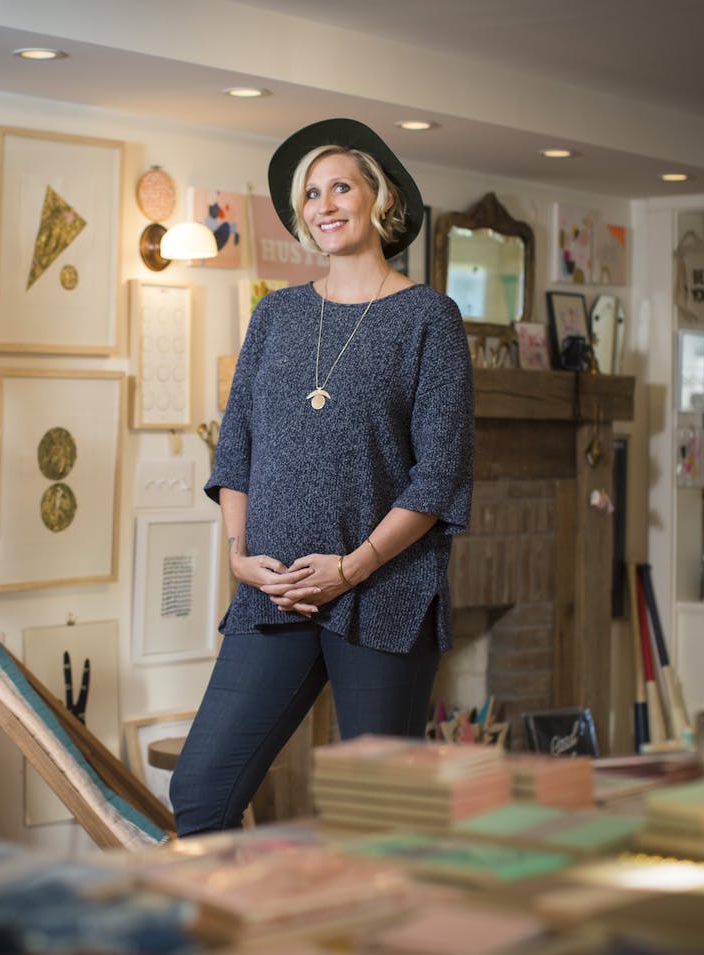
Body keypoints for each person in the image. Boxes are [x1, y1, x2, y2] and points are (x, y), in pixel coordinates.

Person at [169, 118, 475, 836]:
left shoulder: (428, 317)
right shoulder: (275, 315)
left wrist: (353, 567)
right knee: (202, 792)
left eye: (342, 186)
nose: (325, 203)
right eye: (311, 193)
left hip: (384, 593)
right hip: (272, 590)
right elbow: (236, 444)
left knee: (379, 814)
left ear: (380, 199)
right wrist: (240, 556)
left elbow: (439, 474)